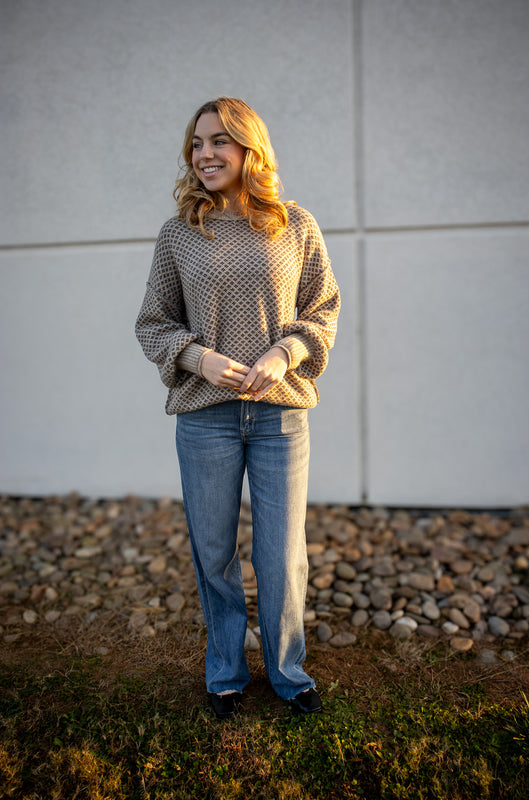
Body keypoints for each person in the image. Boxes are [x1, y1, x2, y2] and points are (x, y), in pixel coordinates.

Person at [135, 97, 340, 719]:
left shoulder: (294, 224)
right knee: (214, 551)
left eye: (219, 141)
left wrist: (284, 351)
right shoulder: (178, 235)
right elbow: (153, 323)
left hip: (280, 417)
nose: (205, 155)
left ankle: (286, 671)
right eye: (197, 144)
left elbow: (323, 308)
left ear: (251, 149)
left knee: (282, 554)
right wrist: (197, 358)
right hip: (206, 418)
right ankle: (225, 670)